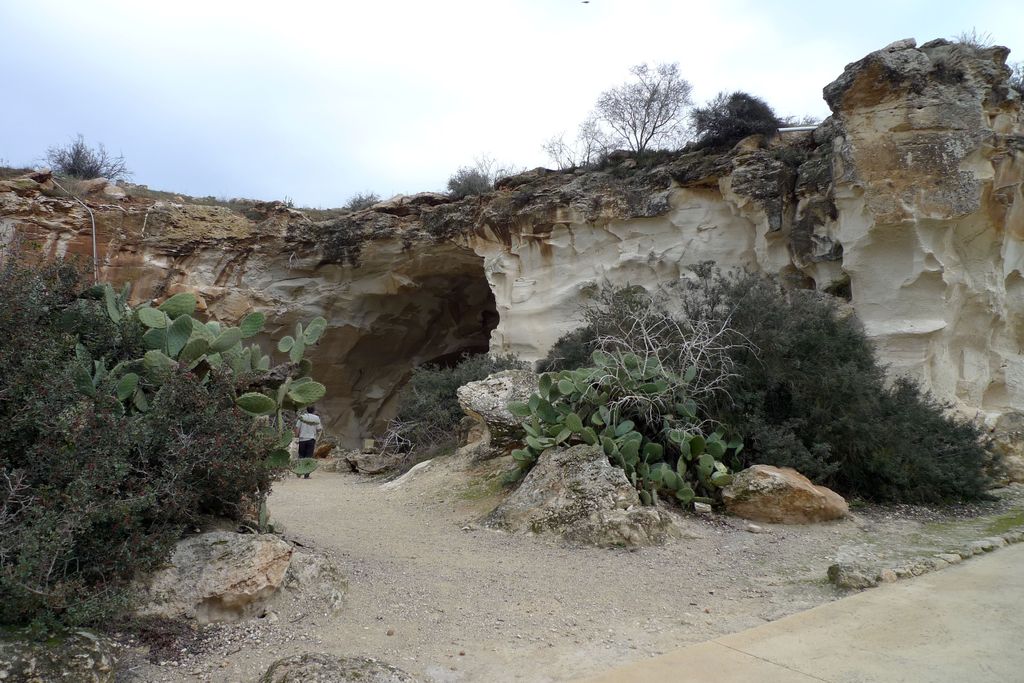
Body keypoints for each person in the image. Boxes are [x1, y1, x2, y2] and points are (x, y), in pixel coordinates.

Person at [294, 406, 322, 478]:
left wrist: (296, 437)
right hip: (311, 439)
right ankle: (306, 475)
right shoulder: (316, 418)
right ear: (314, 410)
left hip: (302, 439)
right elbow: (319, 429)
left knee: (301, 456)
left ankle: (299, 472)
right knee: (308, 457)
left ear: (307, 410)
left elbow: (297, 428)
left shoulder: (302, 417)